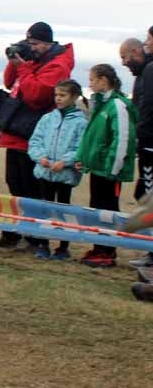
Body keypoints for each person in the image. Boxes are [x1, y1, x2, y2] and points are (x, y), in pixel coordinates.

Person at [0, 21, 75, 249]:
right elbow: (9, 82)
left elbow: (37, 95)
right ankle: (14, 233)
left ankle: (34, 238)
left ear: (47, 43)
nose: (31, 47)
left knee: (30, 189)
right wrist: (15, 62)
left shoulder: (58, 65)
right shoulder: (33, 61)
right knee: (14, 184)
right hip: (17, 132)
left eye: (34, 43)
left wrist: (24, 68)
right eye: (28, 42)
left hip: (32, 135)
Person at [75, 64, 137, 268]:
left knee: (109, 210)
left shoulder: (117, 105)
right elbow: (92, 137)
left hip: (110, 171)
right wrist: (82, 158)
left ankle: (108, 252)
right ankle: (99, 247)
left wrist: (114, 168)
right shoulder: (101, 105)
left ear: (103, 80)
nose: (90, 84)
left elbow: (122, 138)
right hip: (97, 168)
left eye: (92, 79)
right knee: (97, 208)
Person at [26, 79, 87, 260]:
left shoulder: (81, 122)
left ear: (74, 97)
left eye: (63, 95)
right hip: (45, 172)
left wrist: (66, 161)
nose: (58, 99)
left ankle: (63, 246)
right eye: (56, 95)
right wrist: (40, 157)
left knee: (63, 210)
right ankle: (43, 244)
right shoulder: (47, 119)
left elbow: (81, 147)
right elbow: (35, 141)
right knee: (44, 208)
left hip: (65, 175)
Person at [121, 36, 153, 269]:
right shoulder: (144, 72)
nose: (146, 43)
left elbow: (148, 108)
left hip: (150, 141)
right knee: (144, 194)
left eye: (125, 56)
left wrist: (138, 137)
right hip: (146, 141)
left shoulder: (150, 70)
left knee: (149, 199)